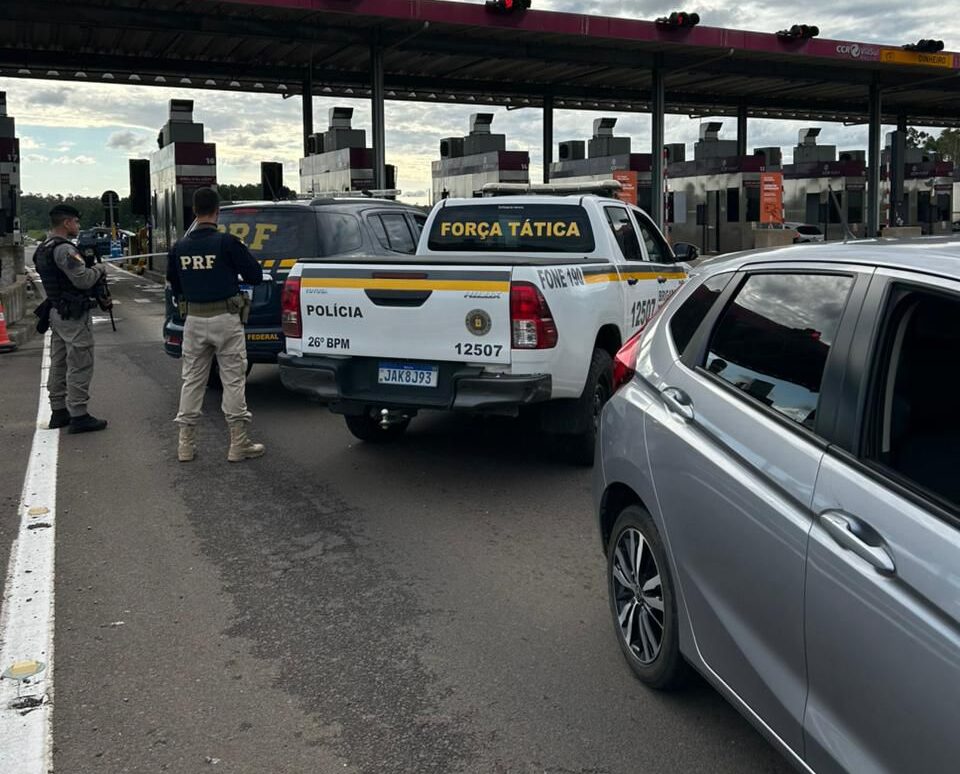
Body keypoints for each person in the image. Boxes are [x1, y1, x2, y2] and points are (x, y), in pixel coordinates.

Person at [167, 187, 265, 463]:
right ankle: (238, 444)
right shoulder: (227, 243)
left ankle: (185, 445)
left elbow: (175, 285)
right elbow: (255, 276)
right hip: (226, 319)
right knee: (233, 380)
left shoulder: (179, 247)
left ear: (194, 212)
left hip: (194, 321)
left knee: (192, 381)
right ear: (217, 211)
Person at [33, 204, 109, 433]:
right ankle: (79, 414)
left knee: (59, 362)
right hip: (73, 315)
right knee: (80, 363)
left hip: (56, 311)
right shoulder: (65, 250)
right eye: (76, 221)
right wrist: (100, 269)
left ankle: (58, 410)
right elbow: (83, 280)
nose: (78, 225)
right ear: (66, 223)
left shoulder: (43, 248)